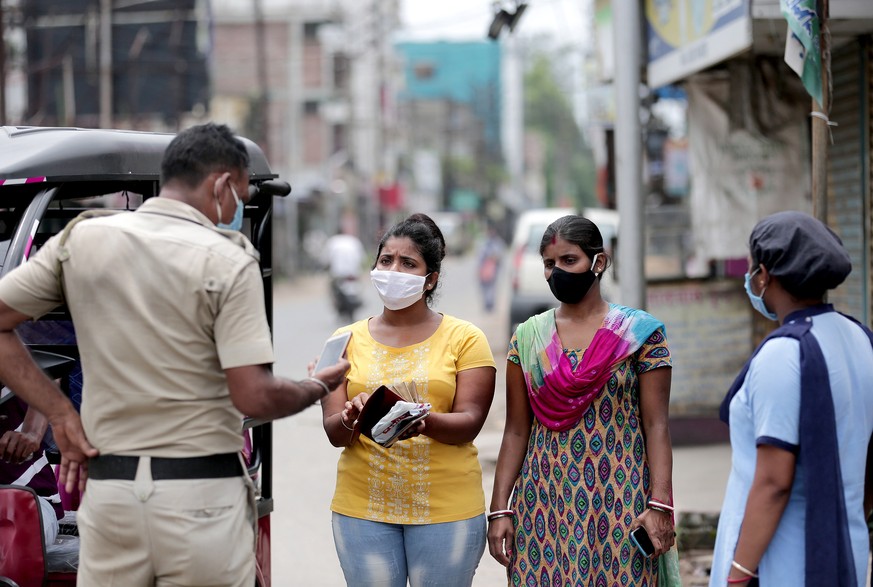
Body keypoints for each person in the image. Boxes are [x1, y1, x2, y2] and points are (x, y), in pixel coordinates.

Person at [0, 123, 349, 587]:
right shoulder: (228, 258)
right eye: (241, 196)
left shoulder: (82, 241)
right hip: (199, 502)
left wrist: (60, 415)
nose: (238, 208)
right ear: (222, 184)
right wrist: (318, 385)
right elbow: (255, 398)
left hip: (112, 499)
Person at [487, 214, 675, 586]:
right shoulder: (527, 339)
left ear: (599, 262)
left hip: (620, 496)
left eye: (568, 260)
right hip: (544, 499)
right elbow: (515, 432)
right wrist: (499, 509)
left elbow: (657, 425)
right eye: (548, 264)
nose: (556, 271)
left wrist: (660, 505)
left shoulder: (640, 335)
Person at [321, 213, 496, 587]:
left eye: (408, 263)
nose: (393, 270)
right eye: (386, 260)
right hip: (362, 509)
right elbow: (334, 432)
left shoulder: (466, 339)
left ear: (430, 278)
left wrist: (422, 422)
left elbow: (471, 421)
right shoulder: (343, 340)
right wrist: (352, 416)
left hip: (446, 509)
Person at [710, 211, 873, 587]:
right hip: (843, 549)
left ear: (764, 275)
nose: (751, 279)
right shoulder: (860, 339)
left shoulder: (783, 354)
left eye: (753, 269)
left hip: (783, 561)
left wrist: (739, 574)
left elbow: (773, 481)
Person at [0, 392, 63, 546]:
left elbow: (49, 378)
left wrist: (32, 431)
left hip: (31, 499)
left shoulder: (20, 372)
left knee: (17, 539)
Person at [324, 224, 367, 323]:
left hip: (338, 274)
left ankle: (336, 306)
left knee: (331, 288)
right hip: (353, 273)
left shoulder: (332, 241)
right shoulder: (354, 241)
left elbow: (326, 258)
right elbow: (362, 258)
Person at [477, 224, 505, 313]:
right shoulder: (483, 242)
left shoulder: (498, 243)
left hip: (493, 269)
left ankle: (490, 304)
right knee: (484, 287)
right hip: (484, 268)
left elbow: (499, 256)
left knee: (491, 287)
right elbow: (480, 257)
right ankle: (487, 303)